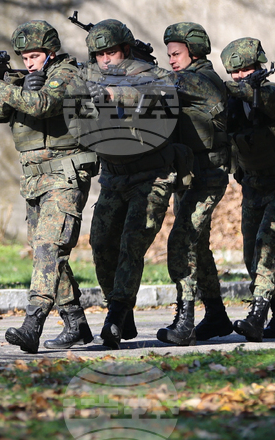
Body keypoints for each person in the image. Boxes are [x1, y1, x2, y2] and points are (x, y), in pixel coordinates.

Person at [0, 20, 99, 353]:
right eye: (25, 57)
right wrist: (3, 82)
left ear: (51, 53)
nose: (29, 62)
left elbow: (44, 104)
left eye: (35, 56)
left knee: (50, 247)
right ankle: (75, 322)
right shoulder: (24, 79)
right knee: (47, 254)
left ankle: (32, 324)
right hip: (34, 179)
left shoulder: (67, 75)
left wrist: (4, 87)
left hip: (66, 174)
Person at [84, 19, 188, 349]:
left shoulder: (152, 75)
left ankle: (114, 317)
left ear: (126, 50)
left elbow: (161, 98)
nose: (105, 60)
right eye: (98, 54)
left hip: (152, 176)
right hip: (114, 176)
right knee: (101, 245)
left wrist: (113, 93)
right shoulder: (89, 78)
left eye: (111, 52)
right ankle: (122, 313)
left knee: (132, 244)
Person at [220, 37, 275, 342]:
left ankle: (257, 317)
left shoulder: (272, 94)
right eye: (233, 72)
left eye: (243, 70)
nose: (238, 77)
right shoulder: (233, 102)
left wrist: (213, 85)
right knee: (250, 258)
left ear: (258, 67)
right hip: (254, 187)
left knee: (264, 251)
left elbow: (266, 98)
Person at [156, 22, 232, 346]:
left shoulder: (203, 80)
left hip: (208, 178)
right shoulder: (186, 81)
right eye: (169, 54)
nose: (171, 59)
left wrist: (137, 69)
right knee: (198, 247)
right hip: (190, 178)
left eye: (176, 53)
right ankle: (216, 315)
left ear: (195, 50)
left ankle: (185, 321)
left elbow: (169, 81)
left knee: (181, 242)